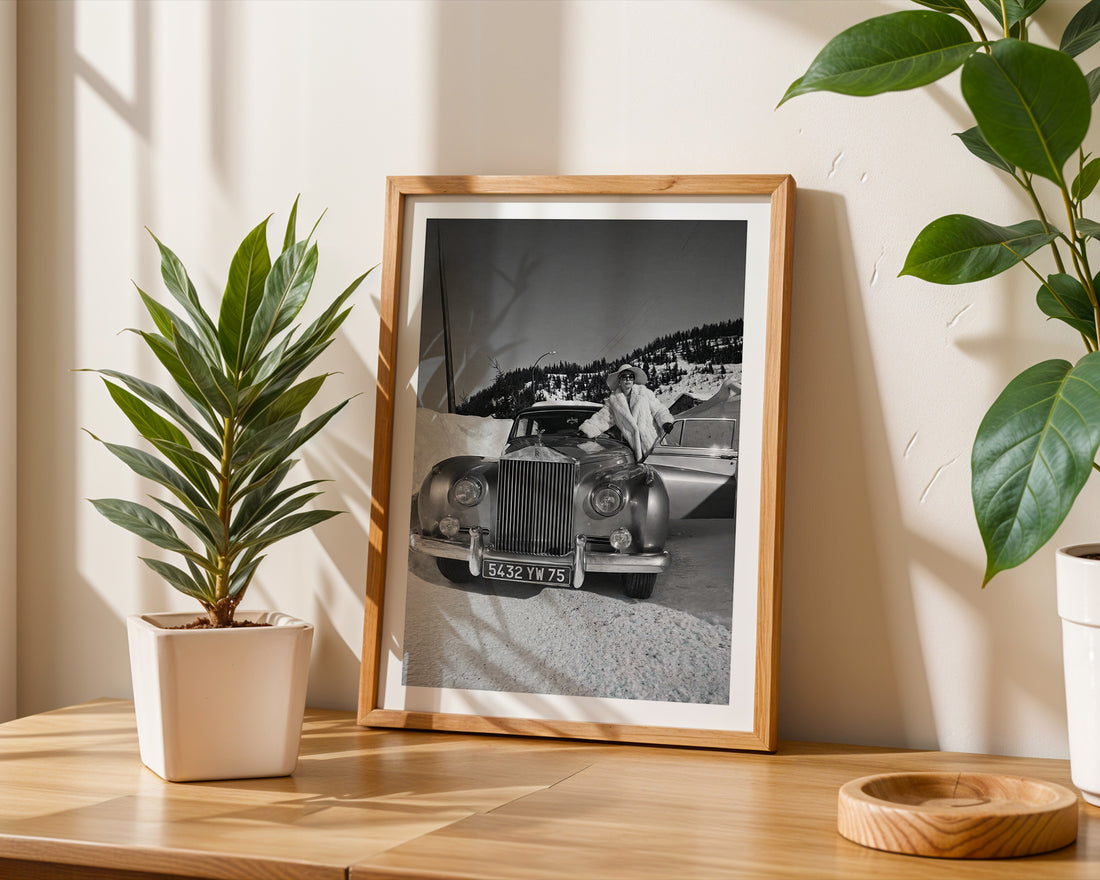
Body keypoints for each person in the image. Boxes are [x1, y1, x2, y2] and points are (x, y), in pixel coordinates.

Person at [579, 364, 674, 460]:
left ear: (634, 380)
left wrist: (665, 422)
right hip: (635, 450)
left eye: (631, 377)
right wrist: (586, 430)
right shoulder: (613, 401)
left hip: (654, 443)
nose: (627, 379)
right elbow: (602, 418)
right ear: (619, 380)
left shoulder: (644, 393)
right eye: (624, 377)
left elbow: (659, 410)